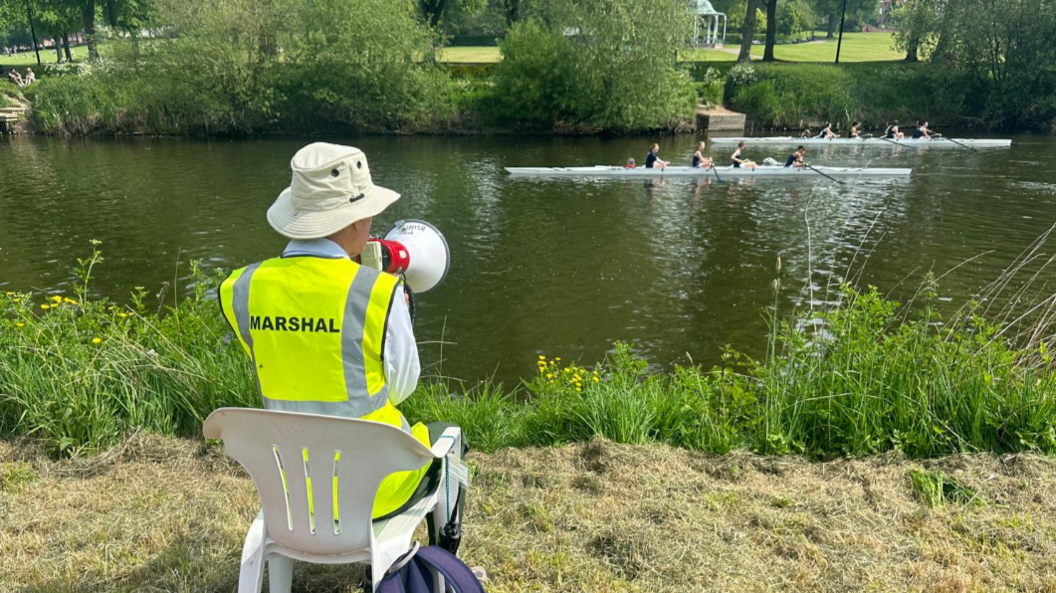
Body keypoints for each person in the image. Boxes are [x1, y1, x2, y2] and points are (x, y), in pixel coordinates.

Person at [217, 143, 472, 560]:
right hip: (374, 490)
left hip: (290, 490)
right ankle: (447, 548)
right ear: (356, 222)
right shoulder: (377, 293)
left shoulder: (242, 287)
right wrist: (394, 305)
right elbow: (403, 388)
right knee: (451, 438)